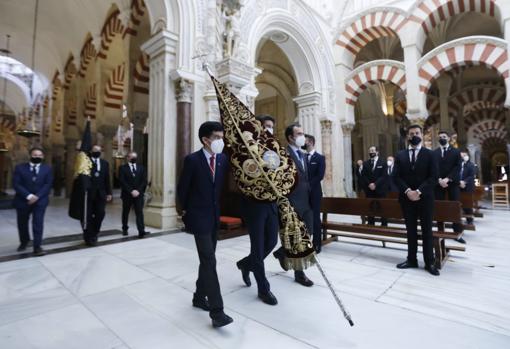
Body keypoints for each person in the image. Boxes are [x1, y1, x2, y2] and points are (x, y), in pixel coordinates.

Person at [177, 121, 233, 328]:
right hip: (198, 217)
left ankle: (199, 297)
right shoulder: (192, 160)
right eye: (217, 137)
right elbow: (183, 189)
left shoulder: (223, 159)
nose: (221, 141)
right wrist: (184, 213)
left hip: (214, 217)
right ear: (205, 140)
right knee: (209, 260)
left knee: (207, 260)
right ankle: (217, 312)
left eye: (221, 137)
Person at [236, 115, 279, 306]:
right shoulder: (247, 148)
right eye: (266, 126)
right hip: (254, 204)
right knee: (258, 245)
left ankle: (245, 264)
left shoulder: (274, 149)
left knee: (272, 241)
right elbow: (247, 174)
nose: (269, 129)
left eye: (271, 126)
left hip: (271, 203)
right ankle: (263, 288)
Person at [394, 124, 440, 276]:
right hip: (407, 199)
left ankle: (429, 262)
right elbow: (396, 176)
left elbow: (433, 177)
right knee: (411, 231)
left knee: (427, 230)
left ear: (421, 134)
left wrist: (419, 191)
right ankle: (411, 259)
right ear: (408, 136)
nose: (414, 135)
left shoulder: (431, 154)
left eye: (417, 132)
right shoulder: (400, 155)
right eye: (411, 133)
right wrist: (408, 191)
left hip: (425, 198)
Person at [273, 123, 314, 287]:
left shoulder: (304, 155)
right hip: (292, 203)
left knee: (308, 233)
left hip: (307, 202)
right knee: (298, 239)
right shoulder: (282, 155)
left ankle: (282, 253)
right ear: (290, 137)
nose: (303, 136)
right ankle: (299, 273)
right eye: (299, 134)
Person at [12, 147, 53, 256]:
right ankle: (24, 242)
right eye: (35, 155)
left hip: (40, 201)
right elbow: (16, 184)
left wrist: (37, 196)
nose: (37, 157)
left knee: (38, 223)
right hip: (22, 200)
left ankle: (37, 246)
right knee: (22, 223)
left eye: (39, 155)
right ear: (30, 156)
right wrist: (29, 196)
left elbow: (47, 184)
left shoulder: (47, 169)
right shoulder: (20, 168)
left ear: (43, 156)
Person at [434, 131, 464, 243]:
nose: (442, 138)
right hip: (438, 184)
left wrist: (448, 178)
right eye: (440, 137)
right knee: (439, 206)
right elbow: (433, 168)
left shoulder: (456, 151)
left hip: (452, 183)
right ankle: (440, 231)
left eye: (444, 137)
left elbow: (457, 167)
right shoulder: (435, 152)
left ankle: (457, 233)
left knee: (454, 206)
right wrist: (439, 179)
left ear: (449, 138)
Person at [83, 145, 112, 246]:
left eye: (99, 150)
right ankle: (89, 236)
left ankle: (95, 232)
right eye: (95, 150)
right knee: (88, 216)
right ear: (91, 151)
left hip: (101, 194)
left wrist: (109, 193)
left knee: (100, 213)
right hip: (88, 194)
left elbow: (107, 179)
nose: (97, 152)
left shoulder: (104, 163)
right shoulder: (85, 163)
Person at [119, 151, 148, 238]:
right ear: (128, 158)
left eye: (135, 157)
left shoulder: (141, 168)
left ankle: (141, 230)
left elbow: (144, 181)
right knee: (126, 212)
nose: (134, 158)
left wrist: (138, 191)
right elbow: (122, 181)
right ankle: (125, 228)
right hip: (127, 194)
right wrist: (131, 191)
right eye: (132, 157)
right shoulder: (122, 168)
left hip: (138, 195)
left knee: (139, 212)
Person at [304, 134, 325, 253]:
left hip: (315, 192)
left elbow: (320, 176)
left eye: (305, 140)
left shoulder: (320, 158)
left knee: (316, 219)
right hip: (303, 194)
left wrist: (308, 185)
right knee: (304, 219)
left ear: (310, 142)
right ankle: (305, 242)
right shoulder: (302, 156)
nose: (303, 142)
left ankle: (317, 244)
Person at [361, 146, 388, 225]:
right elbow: (364, 175)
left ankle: (384, 225)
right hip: (369, 190)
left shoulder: (383, 162)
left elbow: (384, 176)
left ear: (377, 152)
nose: (371, 152)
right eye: (370, 151)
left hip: (380, 190)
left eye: (373, 150)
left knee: (382, 208)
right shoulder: (366, 163)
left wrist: (375, 184)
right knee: (370, 208)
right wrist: (369, 184)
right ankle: (371, 224)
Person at [459, 150, 476, 225]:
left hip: (468, 186)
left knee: (467, 204)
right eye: (461, 156)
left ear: (467, 156)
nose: (463, 157)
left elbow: (471, 176)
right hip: (459, 186)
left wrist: (464, 182)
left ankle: (469, 219)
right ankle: (459, 218)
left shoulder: (471, 165)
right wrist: (459, 182)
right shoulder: (459, 164)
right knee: (460, 203)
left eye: (464, 155)